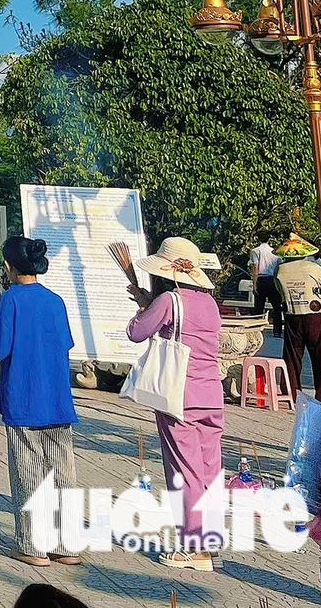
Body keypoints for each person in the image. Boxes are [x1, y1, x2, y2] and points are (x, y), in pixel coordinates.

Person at [117, 234, 223, 571]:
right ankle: (209, 539)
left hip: (180, 394)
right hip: (211, 394)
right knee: (209, 469)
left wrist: (145, 306)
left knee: (184, 470)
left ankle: (194, 547)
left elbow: (137, 331)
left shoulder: (169, 300)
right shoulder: (210, 303)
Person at [0, 235, 82, 567]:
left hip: (24, 397)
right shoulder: (55, 301)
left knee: (29, 472)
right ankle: (68, 545)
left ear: (10, 266)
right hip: (57, 399)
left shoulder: (11, 300)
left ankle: (33, 544)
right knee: (63, 474)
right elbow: (65, 344)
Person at [277, 232, 321, 395]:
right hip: (314, 314)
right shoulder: (314, 268)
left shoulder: (280, 269)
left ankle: (290, 391)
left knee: (292, 356)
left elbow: (279, 290)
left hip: (292, 314)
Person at [252, 236, 283, 333]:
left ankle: (256, 329)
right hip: (273, 279)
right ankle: (277, 330)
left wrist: (254, 284)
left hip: (261, 279)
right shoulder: (275, 252)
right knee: (277, 307)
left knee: (259, 306)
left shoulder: (255, 251)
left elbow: (255, 268)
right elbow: (279, 267)